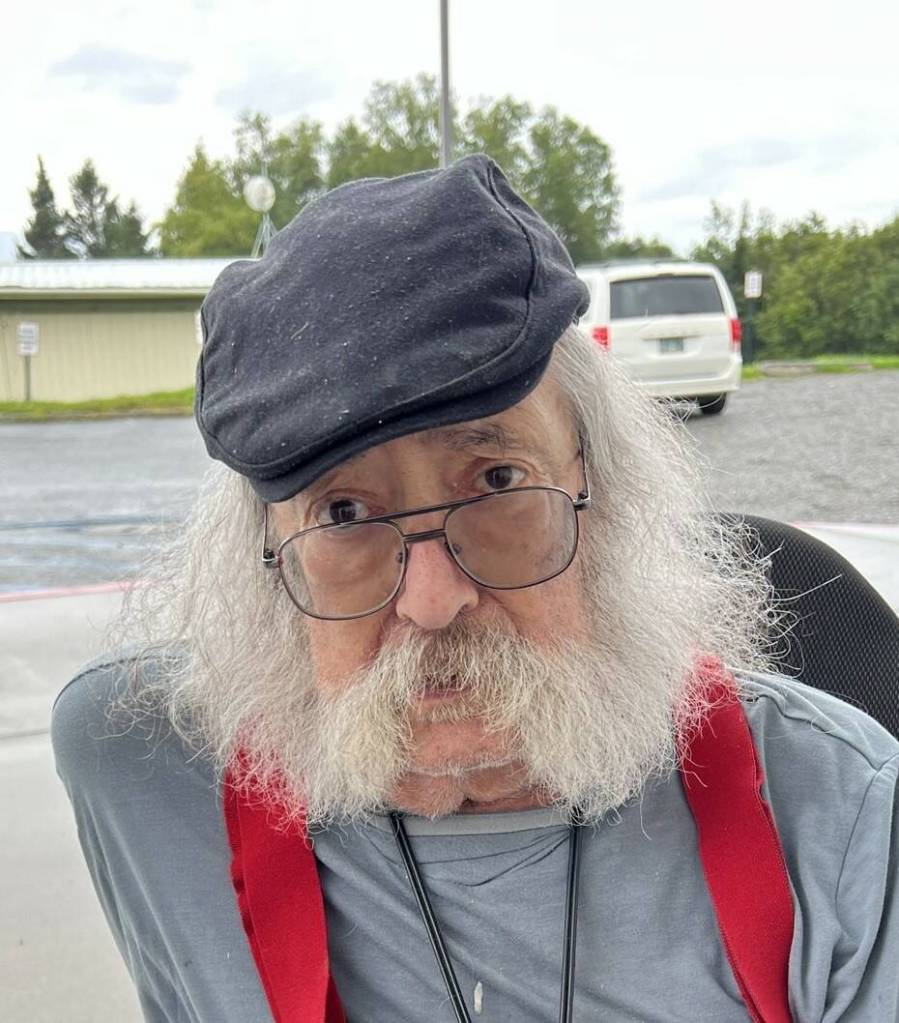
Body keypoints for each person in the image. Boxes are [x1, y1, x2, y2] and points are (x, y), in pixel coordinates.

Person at [53, 156, 899, 1023]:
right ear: (266, 561)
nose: (431, 600)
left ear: (602, 496)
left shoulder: (833, 810)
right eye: (343, 511)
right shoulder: (141, 765)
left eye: (497, 480)